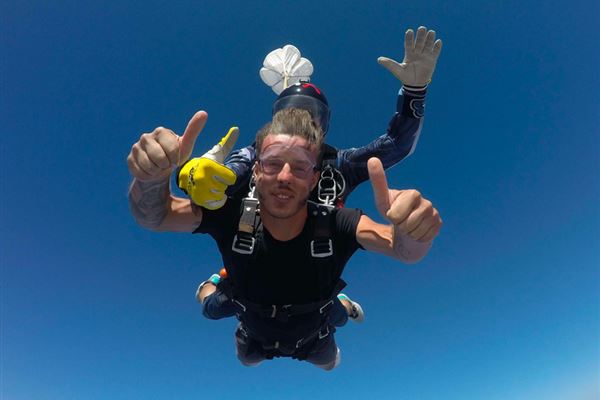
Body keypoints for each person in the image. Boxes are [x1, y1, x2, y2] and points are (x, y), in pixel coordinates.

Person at [127, 107, 442, 370]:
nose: (284, 176)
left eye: (300, 167)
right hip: (253, 329)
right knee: (217, 317)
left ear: (315, 179)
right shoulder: (230, 214)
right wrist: (151, 178)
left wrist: (413, 230)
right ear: (255, 171)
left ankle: (343, 304)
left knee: (331, 355)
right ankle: (208, 286)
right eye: (273, 163)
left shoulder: (336, 222)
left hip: (315, 333)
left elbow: (402, 249)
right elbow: (156, 215)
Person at [177, 26, 443, 210]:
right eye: (291, 111)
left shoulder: (338, 163)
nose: (300, 120)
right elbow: (226, 175)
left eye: (311, 114)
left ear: (324, 125)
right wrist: (191, 173)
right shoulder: (256, 154)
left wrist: (414, 92)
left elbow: (397, 144)